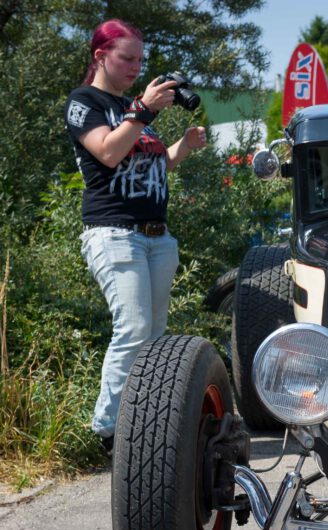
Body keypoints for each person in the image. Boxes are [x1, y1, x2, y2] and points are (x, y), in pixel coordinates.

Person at [65, 19, 206, 451]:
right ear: (100, 56)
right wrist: (143, 109)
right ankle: (108, 430)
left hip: (156, 238)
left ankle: (144, 424)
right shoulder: (83, 101)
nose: (134, 66)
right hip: (114, 232)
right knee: (134, 327)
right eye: (127, 57)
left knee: (154, 336)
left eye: (140, 59)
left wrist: (182, 146)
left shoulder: (133, 106)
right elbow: (108, 152)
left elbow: (153, 164)